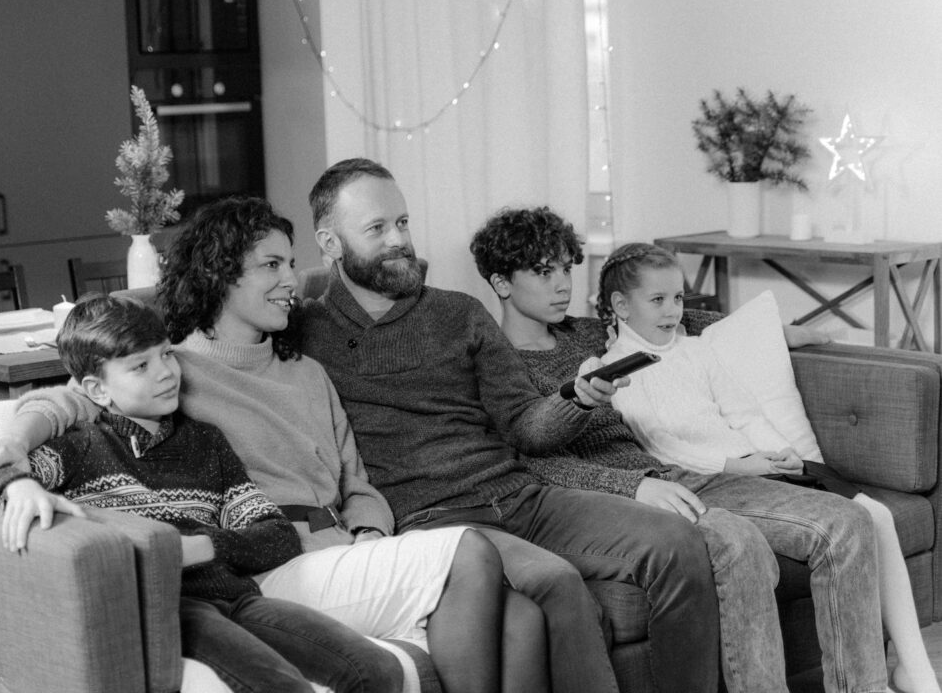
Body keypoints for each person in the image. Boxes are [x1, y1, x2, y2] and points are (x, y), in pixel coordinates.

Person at [0, 198, 548, 693]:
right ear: (220, 274)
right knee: (471, 552)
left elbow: (356, 482)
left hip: (342, 552)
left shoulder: (306, 372)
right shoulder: (171, 367)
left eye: (291, 263)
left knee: (520, 614)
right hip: (275, 560)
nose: (292, 281)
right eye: (271, 265)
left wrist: (369, 536)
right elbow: (71, 403)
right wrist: (12, 446)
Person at [298, 157, 724, 693]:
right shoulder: (307, 331)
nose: (398, 240)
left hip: (521, 496)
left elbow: (525, 426)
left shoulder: (459, 313)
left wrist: (576, 399)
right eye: (376, 228)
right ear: (331, 243)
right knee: (557, 583)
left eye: (403, 222)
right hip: (436, 523)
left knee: (677, 541)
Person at [467, 206, 913, 693]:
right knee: (737, 543)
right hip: (620, 497)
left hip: (674, 475)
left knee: (848, 523)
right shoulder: (496, 361)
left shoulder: (585, 332)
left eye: (566, 269)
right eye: (543, 271)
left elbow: (681, 319)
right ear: (502, 283)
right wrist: (632, 486)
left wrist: (774, 332)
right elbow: (530, 457)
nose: (562, 284)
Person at [0, 294, 403, 693]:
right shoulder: (81, 447)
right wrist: (19, 485)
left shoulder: (206, 443)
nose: (165, 373)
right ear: (97, 389)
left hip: (236, 597)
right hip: (173, 605)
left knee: (378, 668)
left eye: (165, 354)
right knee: (283, 686)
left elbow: (276, 536)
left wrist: (198, 548)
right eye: (140, 367)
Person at [598, 241, 940, 693]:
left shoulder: (697, 351)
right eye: (657, 300)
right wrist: (739, 466)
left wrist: (777, 452)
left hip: (755, 468)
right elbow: (661, 446)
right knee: (848, 523)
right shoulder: (611, 370)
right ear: (621, 305)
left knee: (860, 517)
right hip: (706, 480)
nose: (672, 311)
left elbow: (742, 412)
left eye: (679, 298)